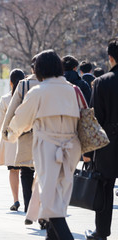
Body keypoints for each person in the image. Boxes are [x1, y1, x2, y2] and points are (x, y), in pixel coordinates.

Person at [6, 50, 81, 240]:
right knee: (58, 198)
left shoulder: (39, 91)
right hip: (71, 149)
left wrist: (11, 135)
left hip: (49, 149)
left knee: (51, 203)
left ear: (39, 69)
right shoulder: (72, 89)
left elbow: (22, 118)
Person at [84, 38, 118, 240]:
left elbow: (93, 121)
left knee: (105, 186)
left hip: (108, 144)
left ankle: (102, 232)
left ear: (111, 58)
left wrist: (88, 152)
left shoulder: (102, 82)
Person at [1, 58, 38, 217]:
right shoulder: (63, 85)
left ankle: (29, 208)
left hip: (26, 136)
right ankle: (43, 210)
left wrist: (6, 132)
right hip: (50, 137)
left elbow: (12, 111)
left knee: (26, 171)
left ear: (32, 69)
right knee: (44, 174)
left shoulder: (24, 85)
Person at [0, 69, 23, 211]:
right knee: (29, 172)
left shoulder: (5, 99)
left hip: (10, 139)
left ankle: (16, 200)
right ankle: (31, 198)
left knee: (13, 170)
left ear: (10, 82)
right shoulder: (29, 97)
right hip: (26, 137)